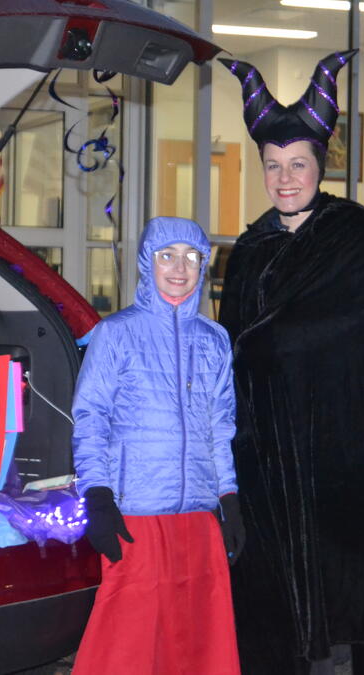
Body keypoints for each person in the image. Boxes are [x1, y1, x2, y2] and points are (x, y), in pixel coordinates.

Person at [217, 50, 364, 674]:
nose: (285, 178)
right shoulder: (250, 247)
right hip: (275, 447)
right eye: (273, 165)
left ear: (320, 165)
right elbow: (228, 343)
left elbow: (337, 321)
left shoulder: (352, 230)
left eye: (298, 164)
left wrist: (251, 346)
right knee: (279, 589)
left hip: (353, 443)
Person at [71, 216, 244, 675]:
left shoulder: (215, 340)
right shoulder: (116, 333)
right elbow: (91, 419)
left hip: (198, 516)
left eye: (191, 257)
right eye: (167, 256)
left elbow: (220, 426)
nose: (179, 268)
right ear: (148, 262)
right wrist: (97, 494)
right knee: (126, 646)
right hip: (137, 513)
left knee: (196, 645)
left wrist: (228, 496)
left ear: (203, 265)